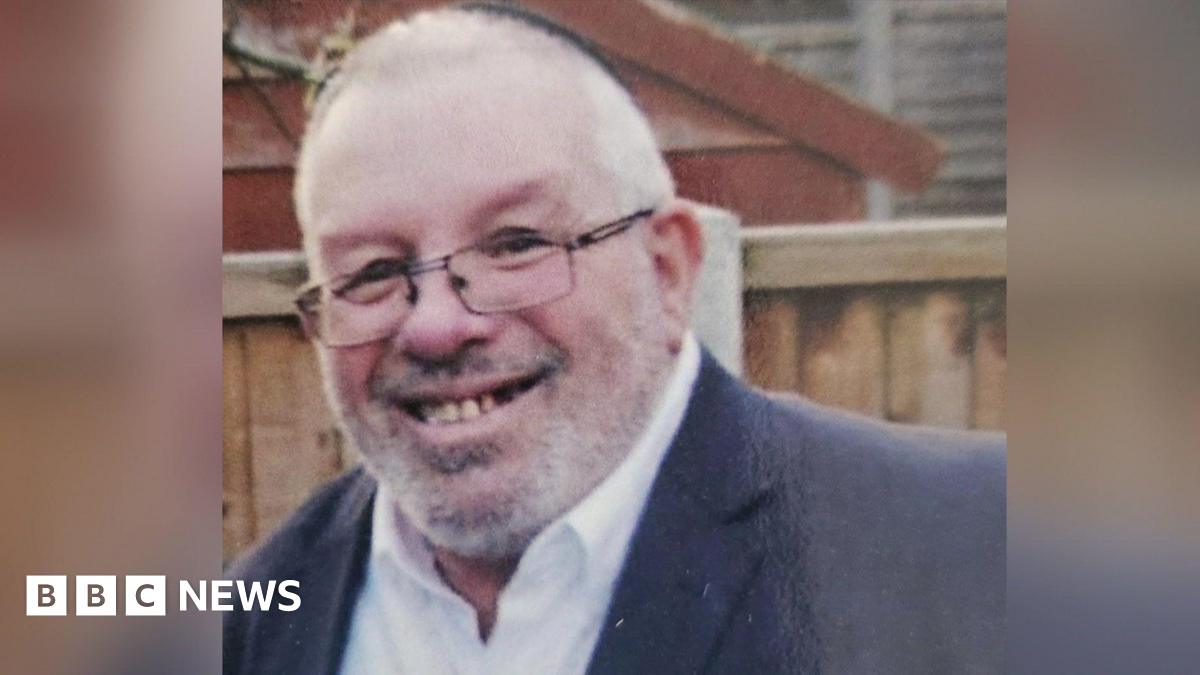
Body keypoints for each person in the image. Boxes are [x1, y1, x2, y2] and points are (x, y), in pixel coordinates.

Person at [224, 4, 1005, 673]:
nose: (435, 324)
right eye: (371, 272)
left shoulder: (977, 550)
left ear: (666, 270)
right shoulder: (247, 620)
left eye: (516, 243)